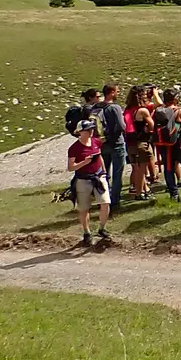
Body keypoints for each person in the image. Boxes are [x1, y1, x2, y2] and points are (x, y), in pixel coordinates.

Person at [66, 119, 111, 247]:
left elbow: (100, 156)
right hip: (83, 179)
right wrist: (84, 162)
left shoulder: (96, 141)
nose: (91, 131)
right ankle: (87, 232)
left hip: (98, 176)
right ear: (80, 132)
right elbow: (71, 167)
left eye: (91, 129)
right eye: (87, 130)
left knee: (105, 202)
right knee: (84, 208)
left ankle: (102, 228)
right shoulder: (74, 148)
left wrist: (104, 173)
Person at [96, 84, 127, 210]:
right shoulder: (115, 107)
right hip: (117, 143)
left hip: (103, 144)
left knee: (104, 173)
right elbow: (121, 126)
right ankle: (115, 201)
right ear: (112, 92)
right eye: (117, 91)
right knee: (117, 174)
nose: (118, 93)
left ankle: (104, 198)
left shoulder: (97, 107)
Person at [125, 85, 155, 200]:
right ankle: (139, 193)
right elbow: (152, 125)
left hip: (130, 143)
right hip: (142, 142)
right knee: (142, 170)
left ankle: (143, 190)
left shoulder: (128, 110)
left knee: (136, 168)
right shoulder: (142, 110)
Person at [153, 86, 181, 200]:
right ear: (175, 99)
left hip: (162, 143)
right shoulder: (177, 111)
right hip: (175, 142)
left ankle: (173, 192)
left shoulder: (159, 111)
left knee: (168, 167)